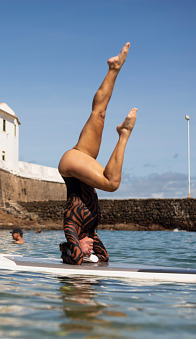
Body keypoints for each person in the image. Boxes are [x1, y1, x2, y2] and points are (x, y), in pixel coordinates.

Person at [57, 42, 137, 265]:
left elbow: (73, 257)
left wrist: (79, 252)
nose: (91, 246)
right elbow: (104, 258)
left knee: (111, 183)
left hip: (71, 167)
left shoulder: (71, 227)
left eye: (86, 246)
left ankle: (123, 134)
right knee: (99, 113)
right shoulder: (90, 232)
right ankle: (114, 69)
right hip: (82, 159)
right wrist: (90, 251)